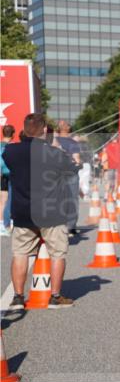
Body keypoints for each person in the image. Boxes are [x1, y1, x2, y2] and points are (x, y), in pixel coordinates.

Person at [4, 113, 80, 310]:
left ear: (24, 128)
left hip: (22, 211)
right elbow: (72, 169)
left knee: (20, 253)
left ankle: (18, 297)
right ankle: (55, 296)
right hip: (51, 212)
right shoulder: (54, 154)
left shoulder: (11, 152)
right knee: (57, 254)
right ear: (45, 130)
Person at [53, 120, 82, 235]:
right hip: (70, 173)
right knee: (72, 199)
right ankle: (71, 227)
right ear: (68, 129)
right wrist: (79, 164)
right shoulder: (73, 143)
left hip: (55, 174)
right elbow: (77, 160)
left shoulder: (53, 141)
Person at [0, 124, 14, 235]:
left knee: (3, 201)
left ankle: (2, 224)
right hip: (10, 174)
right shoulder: (12, 146)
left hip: (2, 174)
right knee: (8, 200)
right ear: (13, 134)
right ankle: (5, 225)